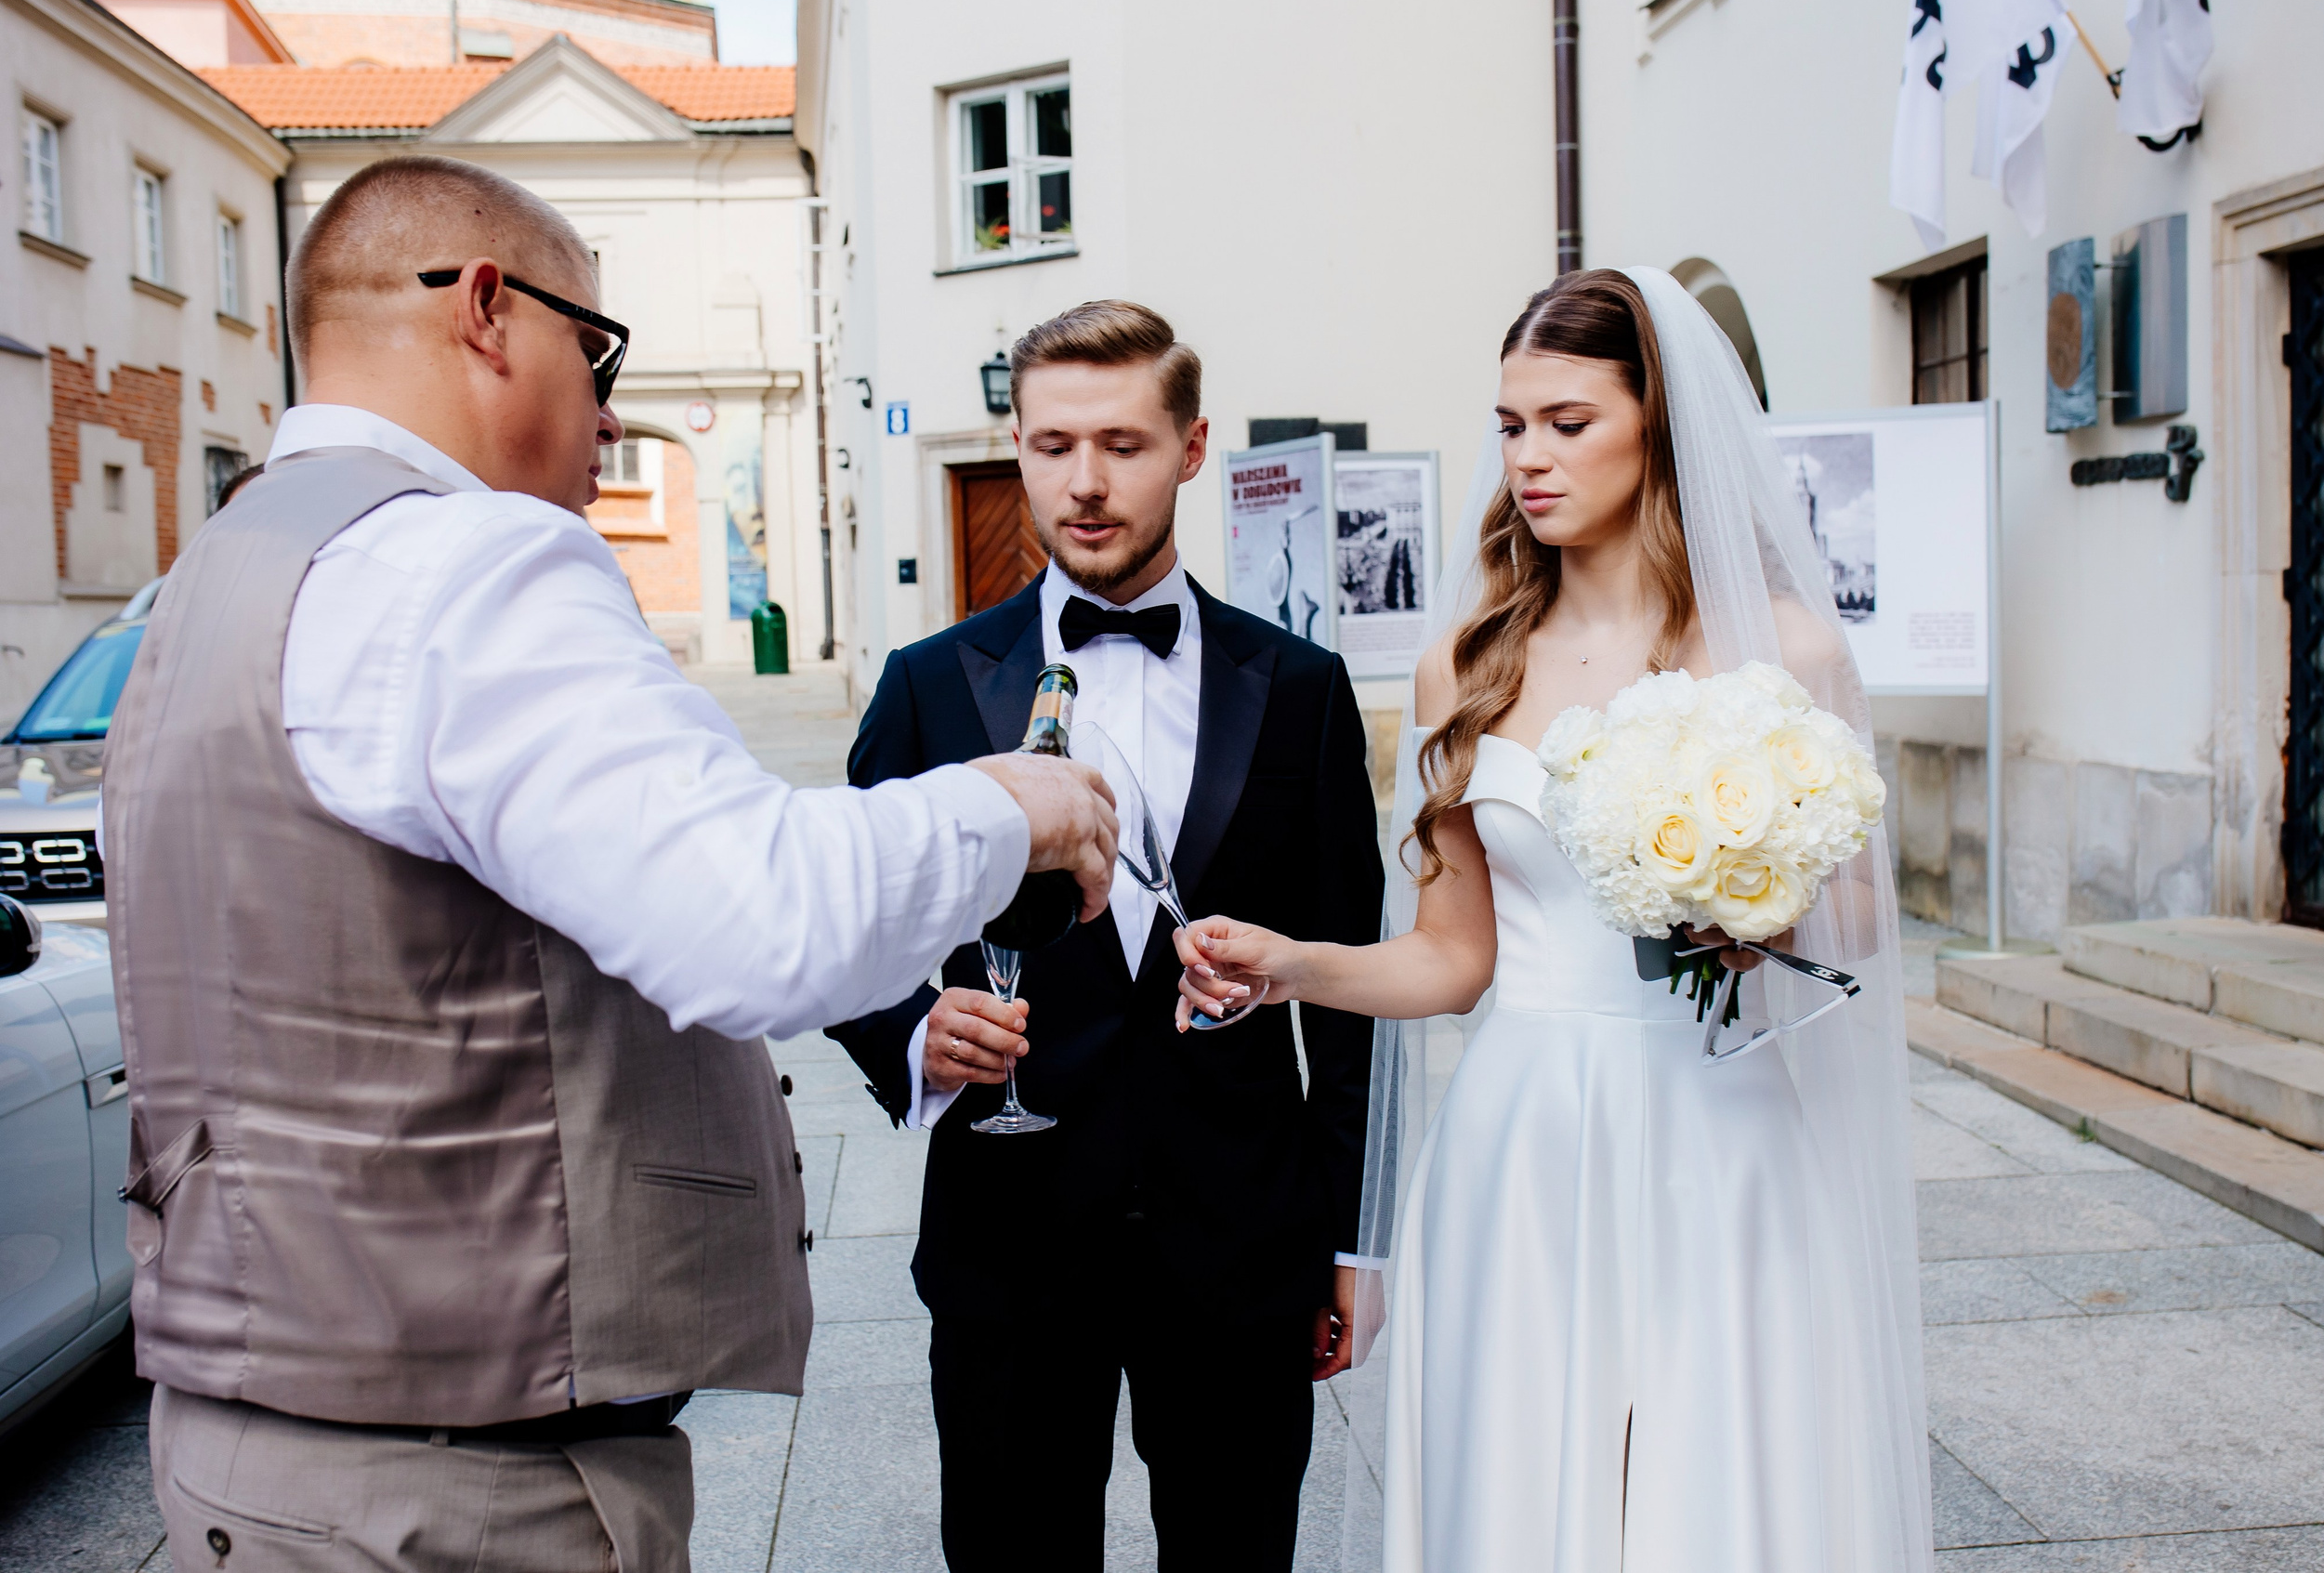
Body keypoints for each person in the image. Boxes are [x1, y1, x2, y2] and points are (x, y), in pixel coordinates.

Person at [105, 154, 1117, 1573]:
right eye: (597, 352)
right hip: (458, 1488)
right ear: (484, 310)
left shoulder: (216, 577)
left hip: (255, 1434)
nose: (611, 410)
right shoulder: (464, 563)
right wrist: (1016, 807)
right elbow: (758, 917)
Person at [1174, 269, 1933, 1570]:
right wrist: (1292, 966)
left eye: (1568, 423)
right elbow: (1453, 957)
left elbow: (1866, 902)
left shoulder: (1787, 651)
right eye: (1512, 424)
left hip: (1722, 1131)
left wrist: (1758, 904)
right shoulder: (1465, 664)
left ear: (1658, 426)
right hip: (1522, 1140)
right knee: (1521, 1491)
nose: (1527, 457)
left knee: (1718, 1487)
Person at [823, 300, 1385, 1571]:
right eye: (1053, 445)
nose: (1085, 482)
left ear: (1192, 448)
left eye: (1123, 445)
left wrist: (1353, 1240)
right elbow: (837, 914)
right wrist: (913, 1033)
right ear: (1017, 448)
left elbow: (1353, 987)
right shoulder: (928, 685)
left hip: (1242, 1238)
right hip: (1009, 1237)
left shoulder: (1299, 690)